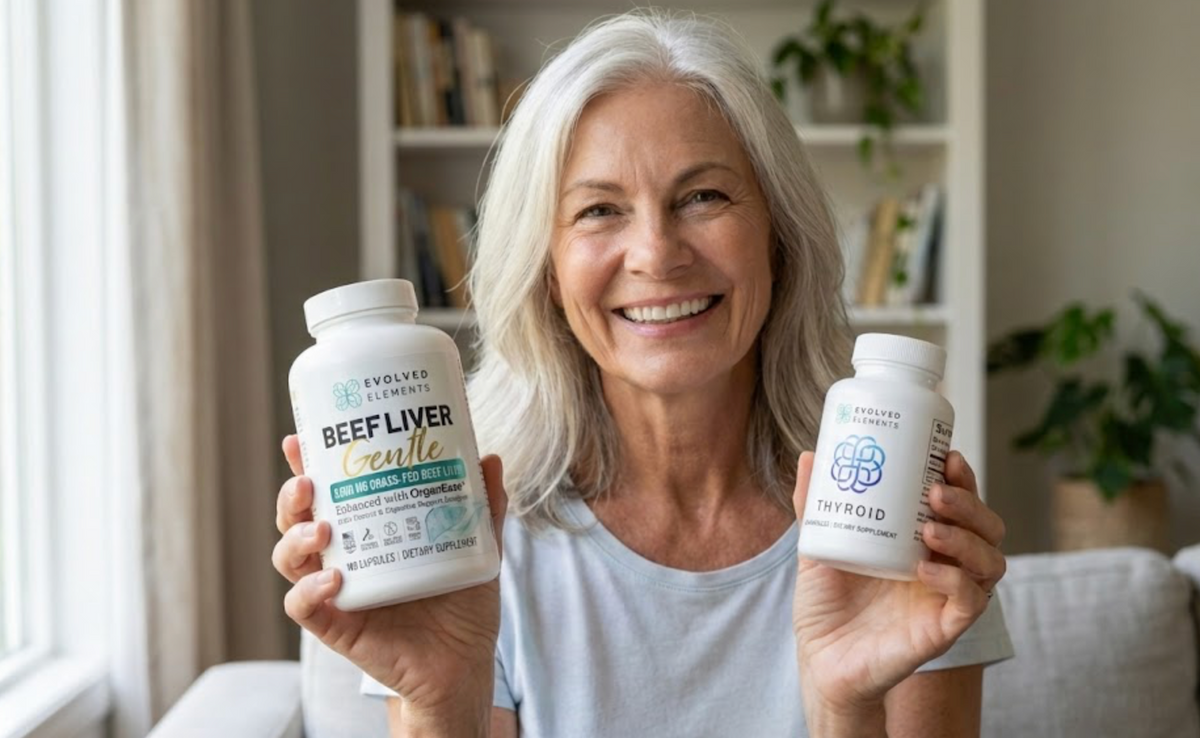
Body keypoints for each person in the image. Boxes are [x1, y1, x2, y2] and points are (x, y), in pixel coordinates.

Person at [272, 10, 1013, 737]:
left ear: (779, 239)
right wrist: (442, 703)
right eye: (599, 210)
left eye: (702, 196)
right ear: (548, 274)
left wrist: (845, 706)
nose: (656, 254)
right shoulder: (465, 535)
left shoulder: (894, 513)